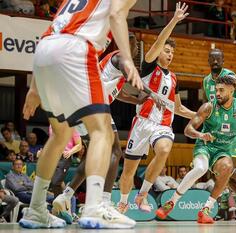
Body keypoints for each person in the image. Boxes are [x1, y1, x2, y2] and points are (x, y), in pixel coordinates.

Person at [19, 0, 143, 229]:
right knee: (102, 131)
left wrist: (34, 87)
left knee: (60, 135)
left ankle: (36, 209)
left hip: (45, 50)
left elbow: (51, 32)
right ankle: (95, 207)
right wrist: (127, 58)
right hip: (76, 48)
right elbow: (117, 14)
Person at [51, 32, 161, 224]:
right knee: (115, 151)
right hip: (92, 105)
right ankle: (104, 203)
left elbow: (116, 93)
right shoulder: (120, 58)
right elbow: (132, 78)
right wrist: (152, 93)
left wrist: (136, 99)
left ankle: (65, 196)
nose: (136, 50)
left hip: (82, 106)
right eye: (134, 46)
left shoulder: (115, 67)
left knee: (94, 155)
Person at [156, 75, 236, 224]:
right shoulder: (208, 107)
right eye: (216, 90)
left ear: (232, 90)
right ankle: (172, 202)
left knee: (228, 168)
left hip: (223, 150)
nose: (217, 93)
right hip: (205, 146)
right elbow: (188, 130)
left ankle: (206, 210)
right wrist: (201, 135)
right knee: (201, 168)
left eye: (221, 90)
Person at [117, 2, 196, 214]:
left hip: (162, 125)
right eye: (167, 51)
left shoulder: (175, 79)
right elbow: (160, 40)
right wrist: (174, 20)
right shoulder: (149, 65)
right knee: (128, 171)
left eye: (172, 52)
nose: (169, 54)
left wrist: (199, 115)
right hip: (142, 123)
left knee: (163, 150)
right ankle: (123, 202)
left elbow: (178, 108)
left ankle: (142, 194)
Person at [50, 127, 82, 197]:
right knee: (55, 182)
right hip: (52, 156)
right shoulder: (51, 125)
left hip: (64, 156)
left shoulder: (72, 126)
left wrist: (70, 152)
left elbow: (79, 145)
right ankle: (61, 203)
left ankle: (60, 203)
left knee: (56, 182)